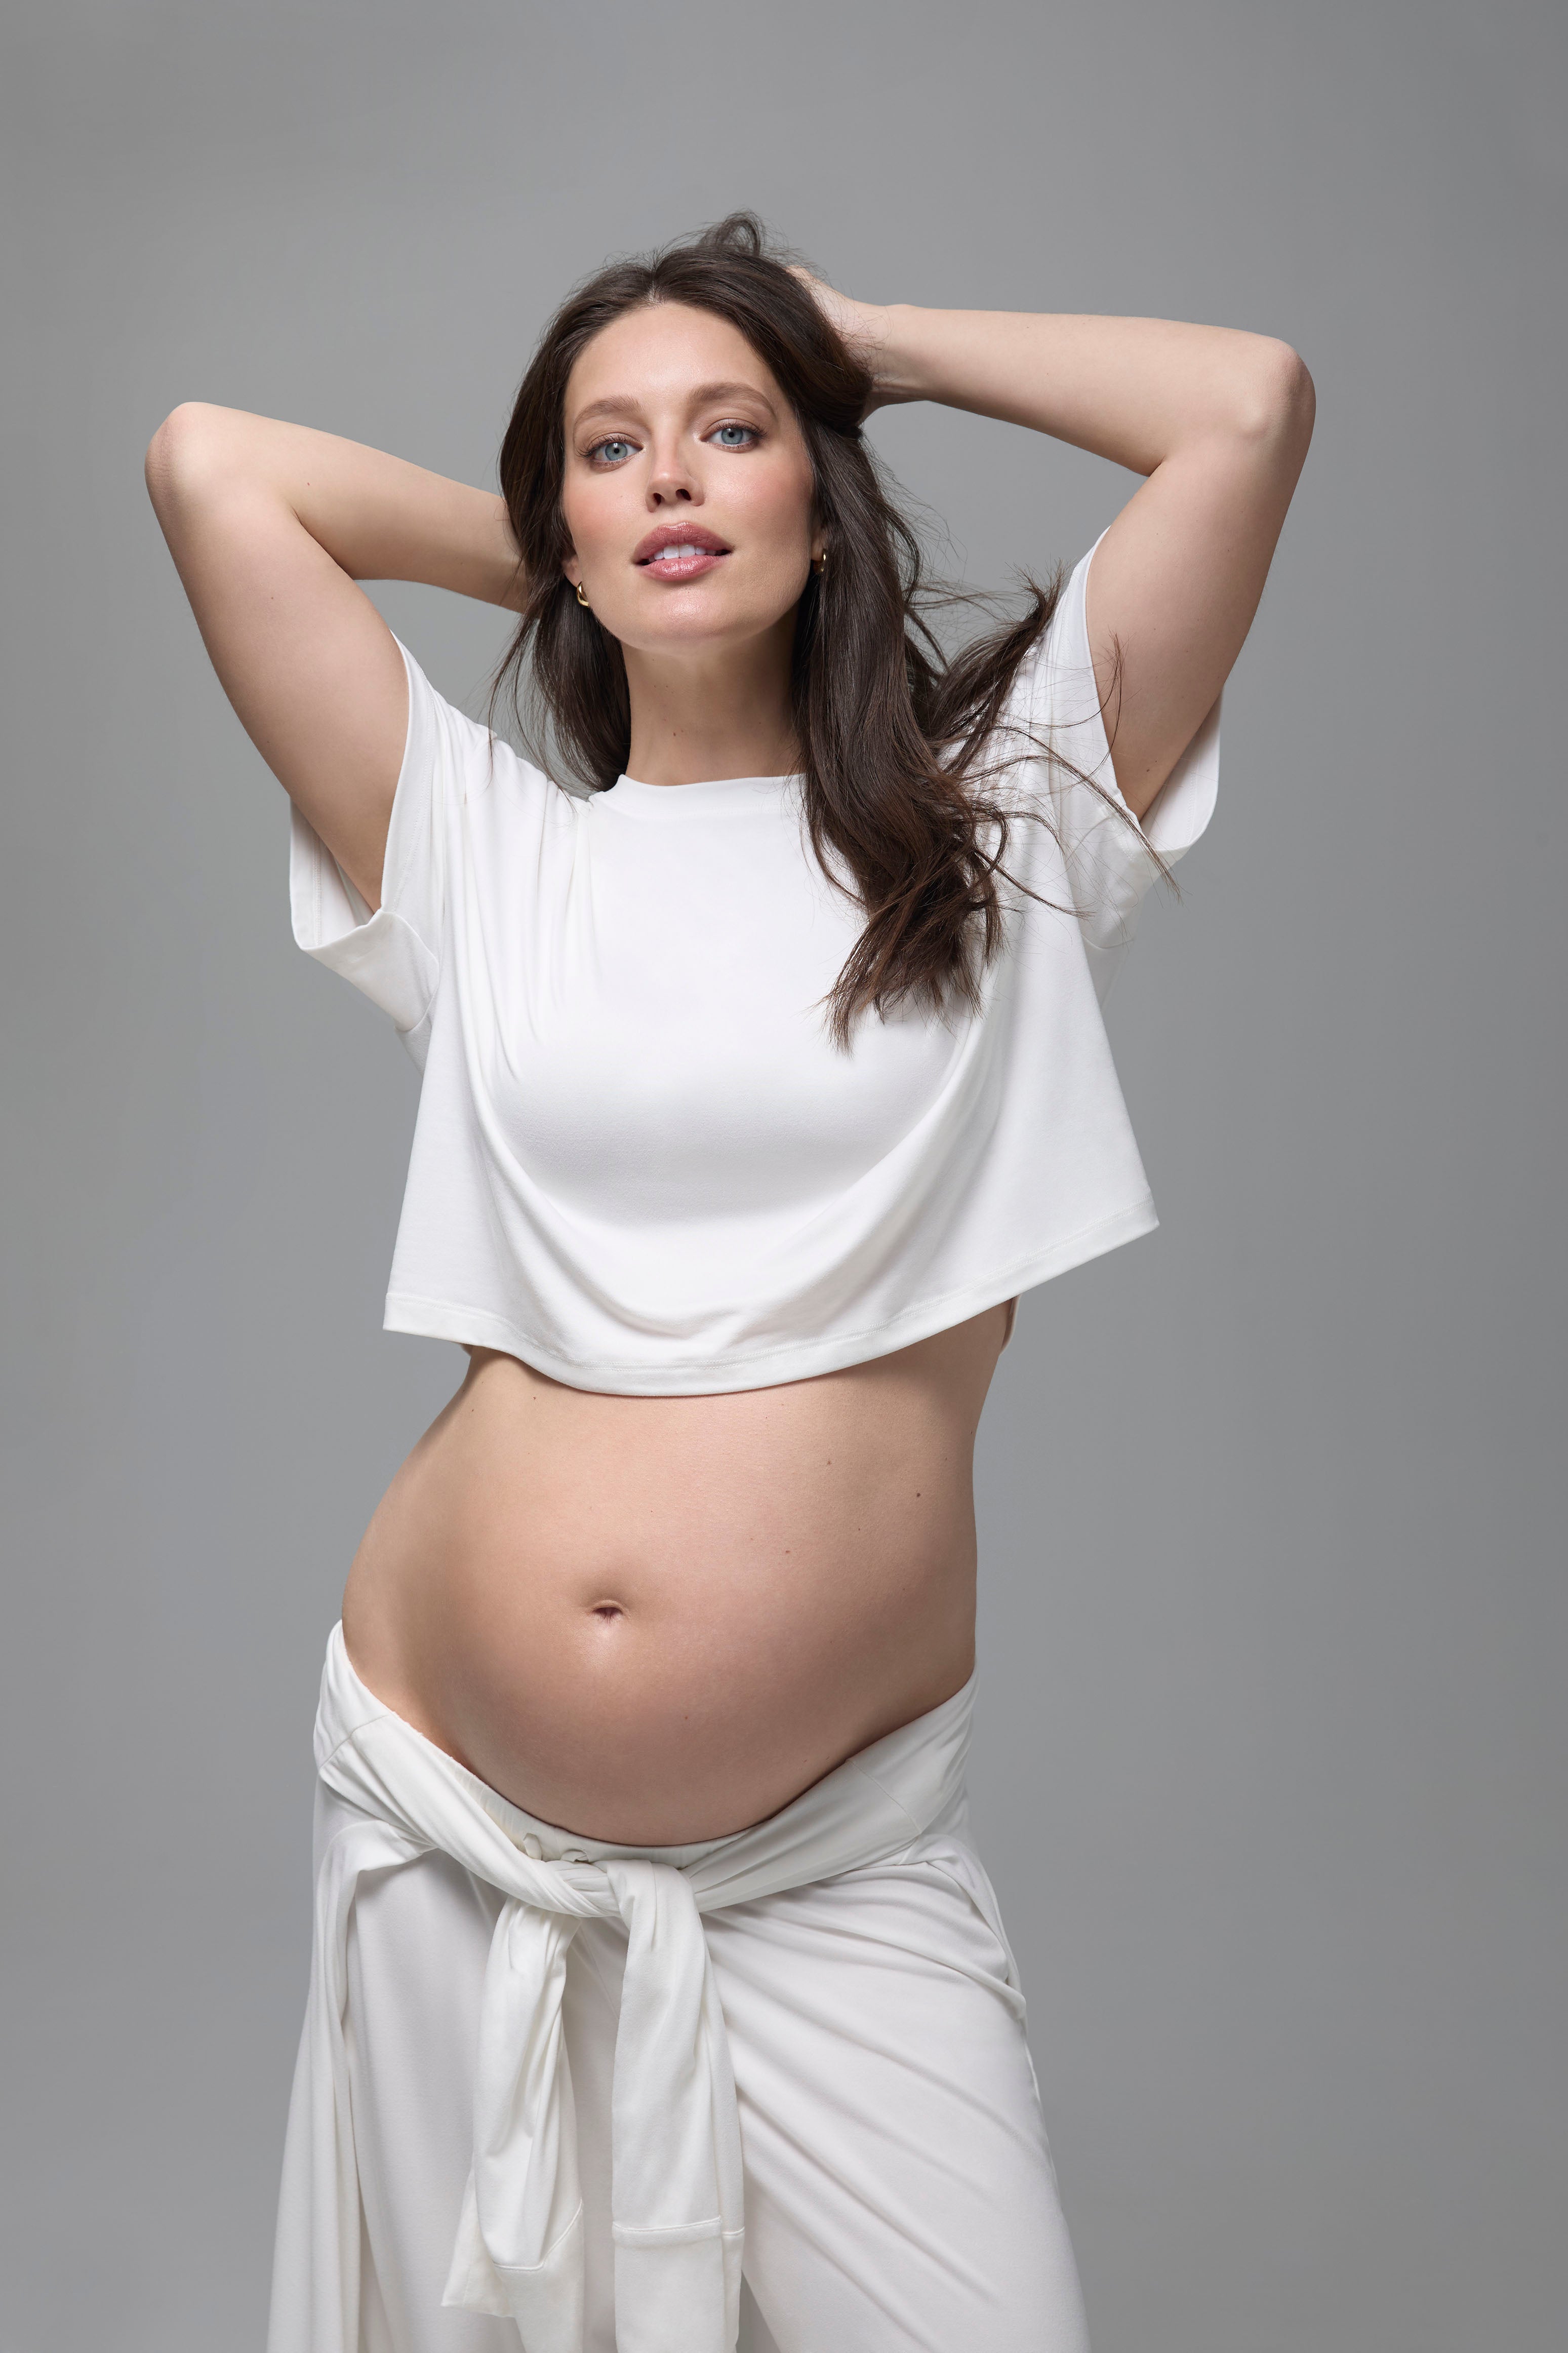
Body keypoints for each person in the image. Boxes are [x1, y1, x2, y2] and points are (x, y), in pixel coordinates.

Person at [145, 213, 1313, 2353]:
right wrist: (566, 572)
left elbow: (1241, 407)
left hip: (828, 1866)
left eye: (733, 433)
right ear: (559, 523)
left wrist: (852, 340)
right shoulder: (488, 855)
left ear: (823, 491)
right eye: (610, 450)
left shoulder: (1008, 827)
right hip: (441, 1805)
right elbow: (216, 465)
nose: (669, 475)